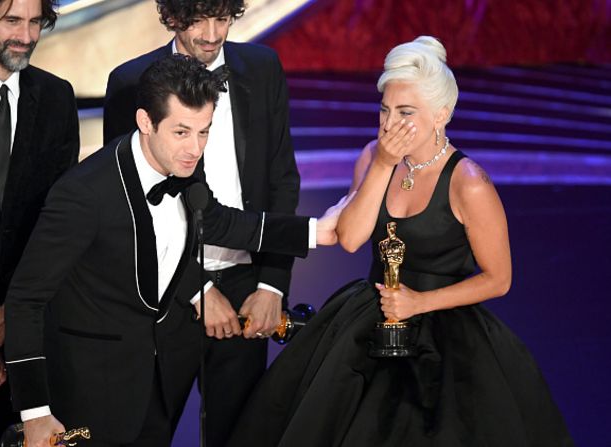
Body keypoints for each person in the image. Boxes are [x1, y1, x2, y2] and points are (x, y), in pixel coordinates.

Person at [227, 36, 574, 446]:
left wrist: (420, 302)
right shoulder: (374, 155)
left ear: (441, 115)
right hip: (368, 317)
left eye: (405, 113)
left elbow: (499, 279)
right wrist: (383, 165)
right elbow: (353, 238)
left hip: (446, 330)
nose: (390, 124)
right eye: (384, 110)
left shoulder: (470, 183)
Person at [3, 54, 342, 447]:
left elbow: (218, 221)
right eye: (182, 132)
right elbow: (26, 299)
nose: (195, 148)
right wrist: (35, 413)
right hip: (88, 390)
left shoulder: (183, 165)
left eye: (204, 132)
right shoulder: (82, 195)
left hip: (155, 384)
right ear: (146, 122)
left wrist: (317, 232)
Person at [104, 1, 301, 444]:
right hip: (166, 292)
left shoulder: (263, 67)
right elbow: (131, 208)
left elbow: (282, 180)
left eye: (223, 18)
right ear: (172, 16)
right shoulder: (130, 83)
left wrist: (272, 285)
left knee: (240, 434)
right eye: (198, 19)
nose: (213, 34)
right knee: (144, 432)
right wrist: (196, 289)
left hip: (248, 288)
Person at [0, 0, 79, 444]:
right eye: (12, 21)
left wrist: (6, 316)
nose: (26, 35)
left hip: (26, 330)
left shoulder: (57, 98)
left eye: (36, 21)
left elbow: (56, 225)